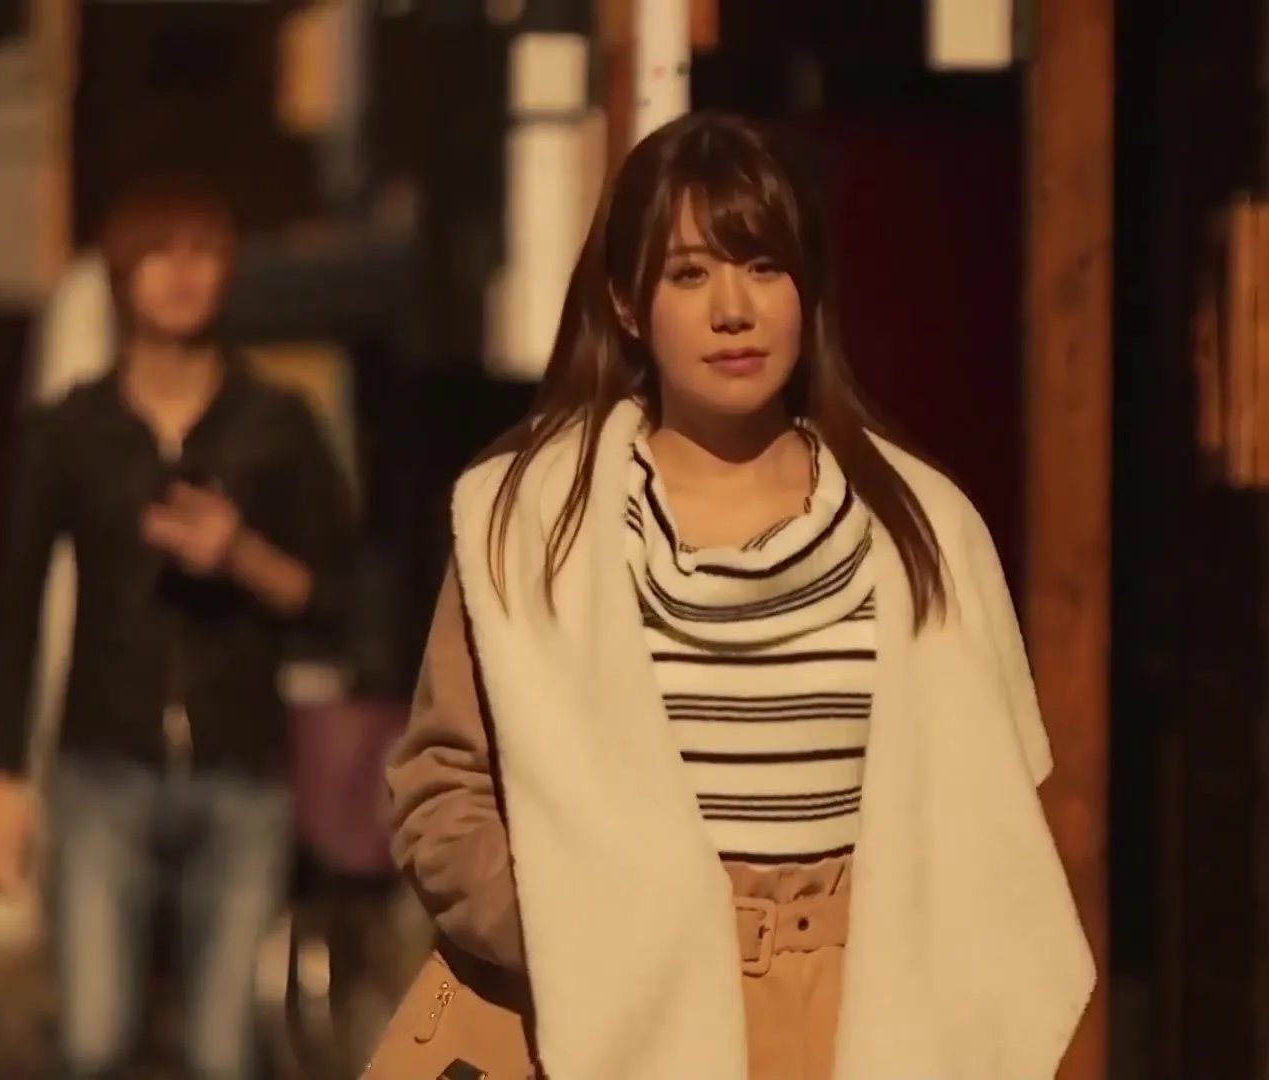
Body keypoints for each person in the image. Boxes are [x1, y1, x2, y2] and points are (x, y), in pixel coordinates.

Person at [385, 111, 1094, 1080]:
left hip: (865, 1008)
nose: (733, 310)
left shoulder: (918, 526)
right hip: (614, 1014)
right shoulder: (532, 520)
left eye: (763, 267)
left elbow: (988, 813)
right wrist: (568, 929)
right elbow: (442, 786)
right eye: (689, 274)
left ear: (808, 289)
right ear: (627, 304)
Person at [0, 177, 355, 1080]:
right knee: (94, 1040)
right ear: (120, 277)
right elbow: (10, 606)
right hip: (103, 767)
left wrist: (242, 556)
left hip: (241, 773)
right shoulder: (71, 429)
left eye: (203, 254)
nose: (182, 274)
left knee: (224, 1052)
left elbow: (340, 595)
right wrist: (0, 778)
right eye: (158, 254)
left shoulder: (278, 423)